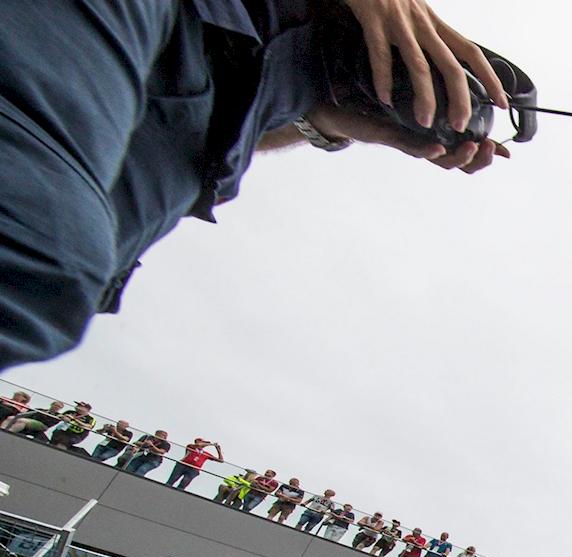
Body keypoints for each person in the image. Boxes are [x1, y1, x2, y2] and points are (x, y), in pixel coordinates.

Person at [1, 0, 514, 373]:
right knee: (41, 256)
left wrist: (330, 123)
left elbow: (201, 121)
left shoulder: (299, 78)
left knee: (47, 279)